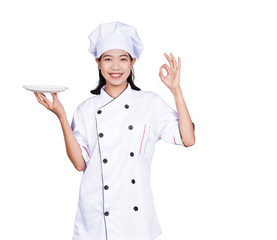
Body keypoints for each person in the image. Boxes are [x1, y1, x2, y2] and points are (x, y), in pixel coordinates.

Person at [34, 21, 195, 240]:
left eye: (123, 59)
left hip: (136, 219)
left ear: (132, 63)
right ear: (98, 63)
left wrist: (176, 91)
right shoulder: (86, 109)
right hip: (97, 216)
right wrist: (61, 115)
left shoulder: (150, 103)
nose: (116, 67)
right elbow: (80, 164)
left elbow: (188, 138)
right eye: (108, 59)